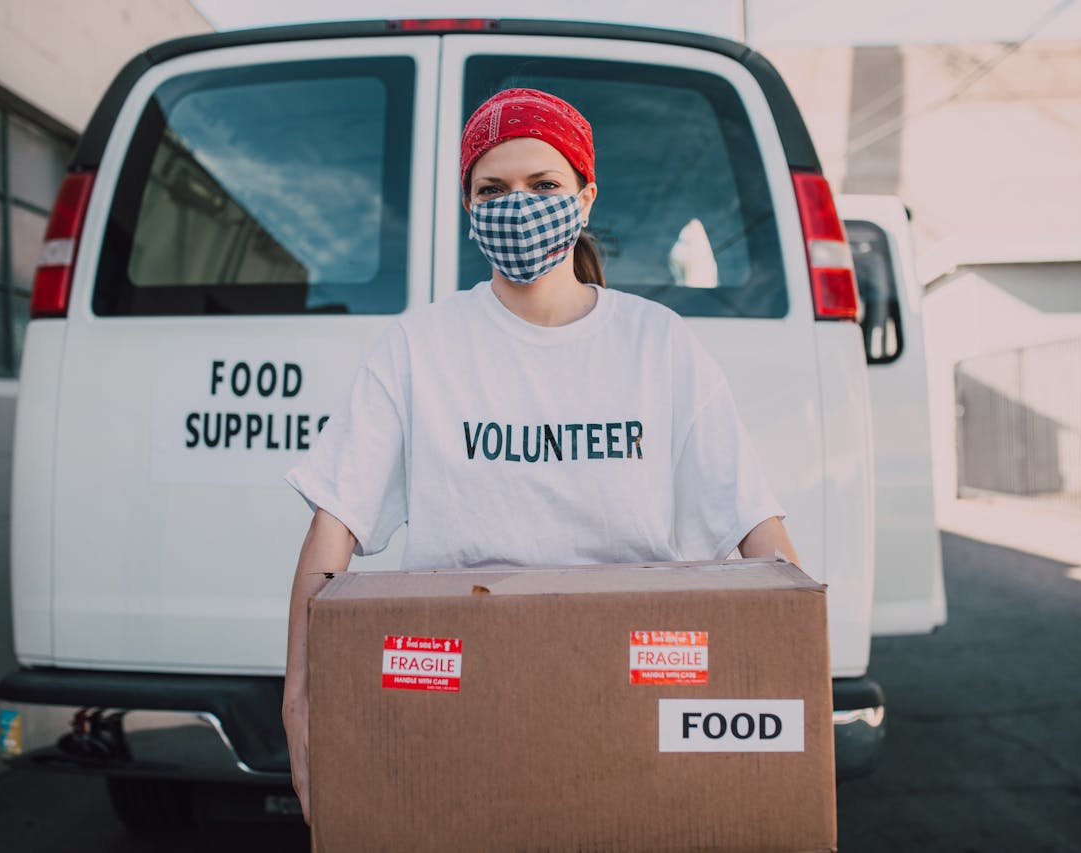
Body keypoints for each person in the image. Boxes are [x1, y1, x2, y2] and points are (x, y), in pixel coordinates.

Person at [280, 88, 800, 819]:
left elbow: (758, 534)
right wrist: (301, 697)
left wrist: (790, 693)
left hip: (627, 694)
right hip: (457, 699)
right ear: (468, 206)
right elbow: (331, 528)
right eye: (492, 189)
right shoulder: (419, 348)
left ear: (585, 197)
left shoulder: (658, 345)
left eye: (544, 185)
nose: (517, 205)